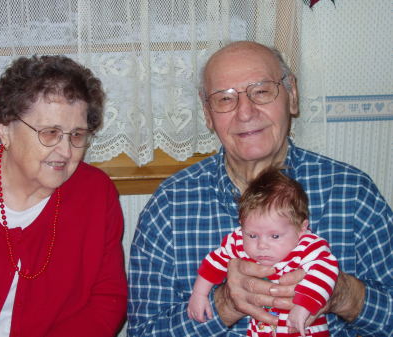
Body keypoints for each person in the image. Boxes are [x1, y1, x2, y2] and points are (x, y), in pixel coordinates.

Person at [127, 41, 393, 336]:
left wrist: (343, 294)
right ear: (207, 114)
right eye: (225, 99)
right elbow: (144, 331)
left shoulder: (352, 193)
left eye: (262, 91)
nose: (245, 112)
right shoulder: (169, 206)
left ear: (292, 95)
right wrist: (224, 304)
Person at [0, 55, 127, 336]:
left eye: (77, 135)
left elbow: (106, 301)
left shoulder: (96, 194)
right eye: (50, 133)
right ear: (5, 129)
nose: (66, 152)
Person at [187, 167, 339, 337]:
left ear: (301, 228)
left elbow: (326, 271)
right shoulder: (239, 241)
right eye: (252, 235)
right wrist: (199, 294)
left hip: (305, 330)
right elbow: (214, 262)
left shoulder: (309, 247)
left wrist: (304, 306)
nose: (261, 245)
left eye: (274, 236)